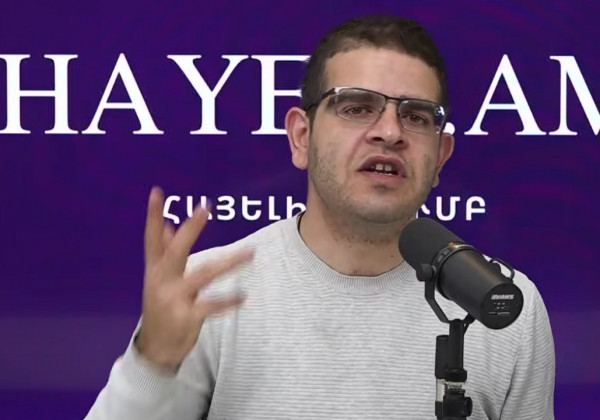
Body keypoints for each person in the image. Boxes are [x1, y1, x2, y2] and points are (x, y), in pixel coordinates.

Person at [84, 16, 555, 420]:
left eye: (416, 116)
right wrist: (152, 364)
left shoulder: (502, 304)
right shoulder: (208, 292)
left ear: (441, 157)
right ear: (301, 138)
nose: (389, 132)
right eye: (357, 107)